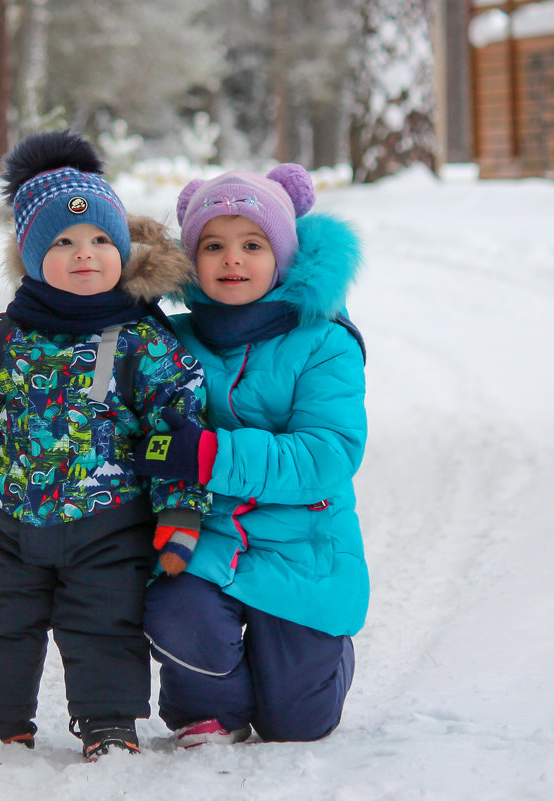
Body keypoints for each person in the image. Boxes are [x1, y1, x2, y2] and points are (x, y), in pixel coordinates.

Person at [0, 130, 210, 760]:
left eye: (101, 240)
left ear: (123, 251)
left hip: (108, 524)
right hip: (6, 523)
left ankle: (108, 721)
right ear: (32, 254)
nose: (84, 254)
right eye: (63, 243)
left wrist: (179, 510)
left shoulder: (140, 344)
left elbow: (175, 428)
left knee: (104, 624)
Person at [132, 164, 369, 748]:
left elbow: (328, 453)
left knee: (297, 725)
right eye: (213, 245)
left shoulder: (324, 340)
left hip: (301, 542)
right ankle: (213, 705)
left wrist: (208, 453)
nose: (231, 259)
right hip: (205, 535)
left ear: (283, 256)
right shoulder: (170, 340)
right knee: (178, 611)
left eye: (252, 244)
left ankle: (311, 665)